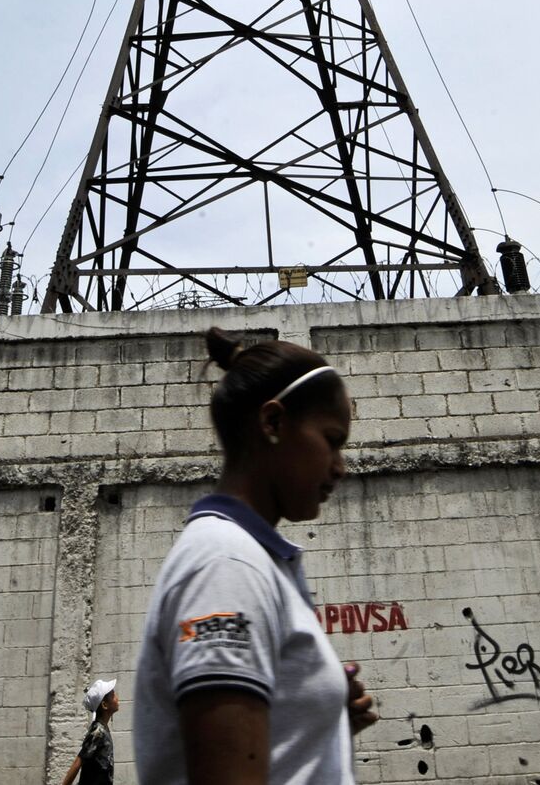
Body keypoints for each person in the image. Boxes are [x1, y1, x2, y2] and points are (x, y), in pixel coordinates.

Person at [132, 329, 379, 785]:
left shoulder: (251, 559)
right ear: (273, 423)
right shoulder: (227, 566)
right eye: (331, 440)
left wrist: (322, 723)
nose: (340, 466)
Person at [60, 678, 119, 785]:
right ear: (105, 705)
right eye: (113, 695)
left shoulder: (103, 728)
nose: (117, 697)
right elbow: (78, 762)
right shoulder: (97, 731)